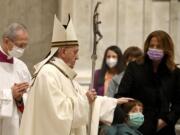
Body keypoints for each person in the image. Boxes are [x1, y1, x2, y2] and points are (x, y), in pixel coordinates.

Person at [115, 30, 180, 135]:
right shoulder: (134, 67)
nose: (154, 49)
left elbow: (178, 103)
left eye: (158, 46)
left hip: (164, 127)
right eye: (151, 45)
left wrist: (165, 121)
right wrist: (131, 117)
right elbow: (121, 95)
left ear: (167, 49)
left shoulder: (174, 72)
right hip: (136, 125)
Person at [0, 23, 31, 135]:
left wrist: (20, 99)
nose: (22, 50)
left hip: (15, 127)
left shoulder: (21, 66)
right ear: (6, 41)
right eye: (20, 45)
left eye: (25, 46)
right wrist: (9, 94)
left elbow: (30, 97)